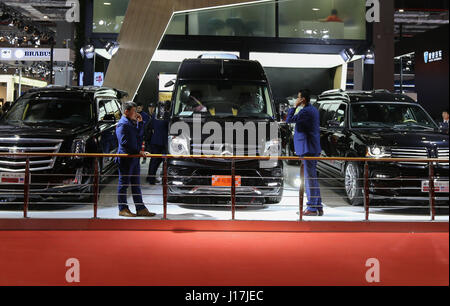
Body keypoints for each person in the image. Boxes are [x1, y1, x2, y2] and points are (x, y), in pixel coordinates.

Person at [286, 89, 323, 216]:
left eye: (298, 98)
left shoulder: (306, 111)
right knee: (312, 178)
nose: (296, 99)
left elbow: (289, 120)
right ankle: (318, 206)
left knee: (309, 179)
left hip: (308, 149)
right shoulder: (312, 110)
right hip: (311, 148)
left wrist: (293, 106)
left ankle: (312, 208)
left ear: (303, 99)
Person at [116, 102, 156, 217]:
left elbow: (138, 137)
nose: (136, 113)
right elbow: (124, 144)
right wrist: (139, 152)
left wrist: (140, 123)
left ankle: (140, 208)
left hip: (133, 159)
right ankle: (123, 208)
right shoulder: (122, 124)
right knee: (123, 185)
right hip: (125, 159)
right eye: (134, 111)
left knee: (136, 185)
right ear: (126, 111)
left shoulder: (130, 123)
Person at [146, 101, 170, 184]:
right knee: (164, 161)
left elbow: (149, 127)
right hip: (164, 142)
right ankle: (164, 179)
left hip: (155, 141)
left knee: (154, 160)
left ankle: (150, 178)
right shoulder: (167, 116)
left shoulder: (154, 116)